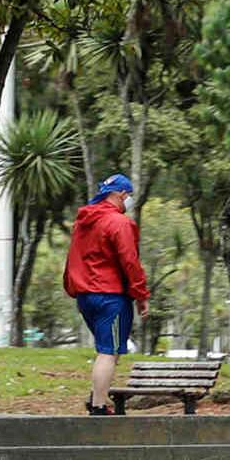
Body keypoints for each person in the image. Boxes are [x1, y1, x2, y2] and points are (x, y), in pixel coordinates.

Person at [63, 173, 150, 415]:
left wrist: (74, 287)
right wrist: (141, 294)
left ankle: (96, 396)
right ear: (121, 194)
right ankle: (98, 407)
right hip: (110, 296)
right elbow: (130, 261)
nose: (129, 200)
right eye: (129, 196)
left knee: (108, 348)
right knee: (108, 352)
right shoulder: (118, 223)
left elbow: (73, 257)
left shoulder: (83, 222)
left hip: (85, 294)